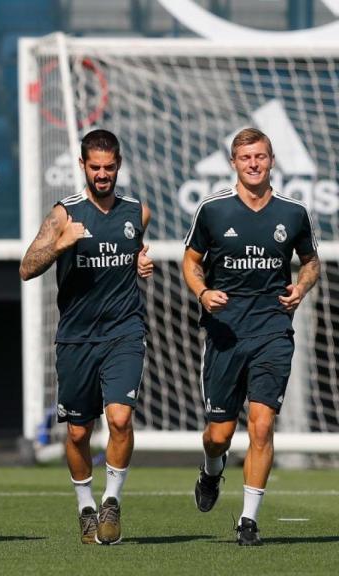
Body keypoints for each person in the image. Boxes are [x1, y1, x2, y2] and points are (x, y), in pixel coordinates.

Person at [183, 127, 318, 546]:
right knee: (219, 435)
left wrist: (302, 286)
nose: (254, 164)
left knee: (261, 427)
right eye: (245, 158)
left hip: (273, 332)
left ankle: (248, 521)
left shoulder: (293, 212)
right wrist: (203, 292)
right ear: (234, 164)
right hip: (225, 334)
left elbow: (311, 262)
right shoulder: (213, 210)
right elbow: (190, 261)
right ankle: (211, 470)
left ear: (272, 160)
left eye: (260, 156)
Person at [20, 129, 153, 545]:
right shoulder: (65, 214)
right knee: (78, 433)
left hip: (124, 331)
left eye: (109, 167)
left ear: (118, 166)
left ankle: (112, 500)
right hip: (76, 338)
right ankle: (86, 507)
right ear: (82, 166)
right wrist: (61, 244)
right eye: (94, 167)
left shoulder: (138, 212)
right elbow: (26, 267)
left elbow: (135, 250)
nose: (102, 174)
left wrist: (141, 263)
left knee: (120, 418)